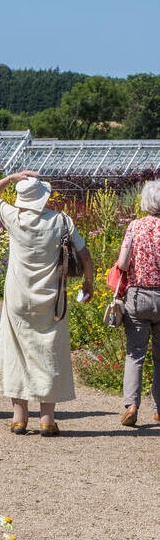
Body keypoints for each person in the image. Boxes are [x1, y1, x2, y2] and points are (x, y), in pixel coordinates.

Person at [0, 172, 94, 436]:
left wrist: (13, 177)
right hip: (52, 297)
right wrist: (88, 283)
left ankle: (19, 418)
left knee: (16, 353)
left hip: (18, 297)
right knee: (49, 353)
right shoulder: (61, 220)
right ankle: (47, 419)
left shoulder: (13, 217)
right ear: (43, 198)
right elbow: (85, 256)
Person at [115, 179, 160, 427]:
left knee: (135, 354)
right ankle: (158, 409)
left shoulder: (135, 226)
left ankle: (131, 405)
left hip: (138, 296)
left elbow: (123, 264)